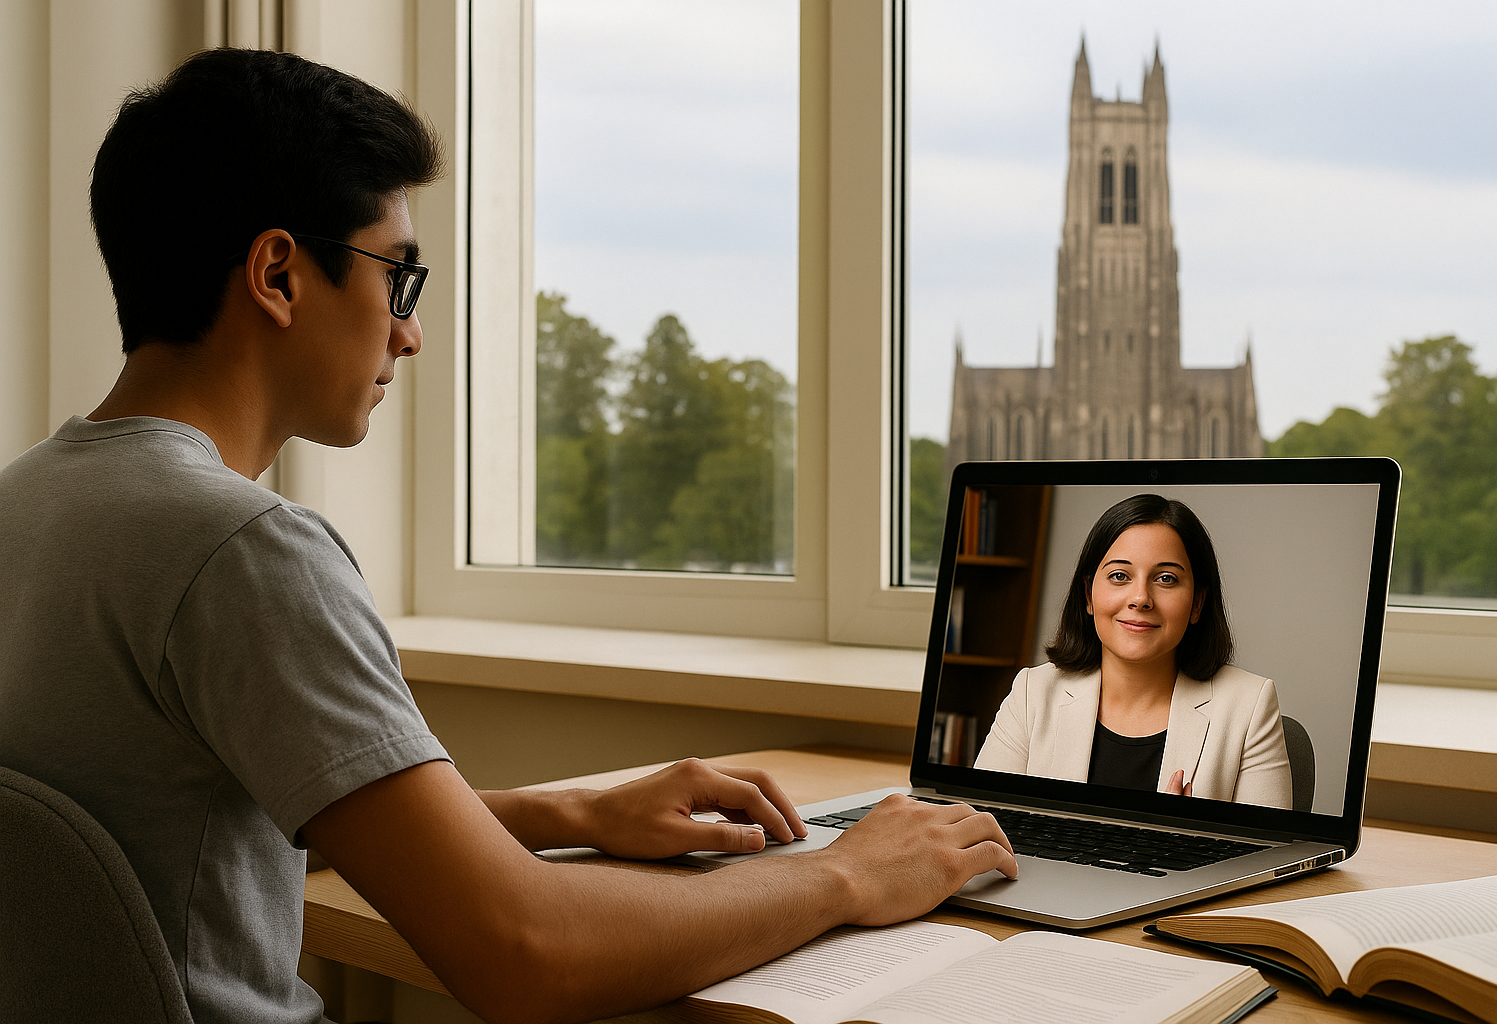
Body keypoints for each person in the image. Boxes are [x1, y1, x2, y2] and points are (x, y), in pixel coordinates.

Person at [0, 48, 1016, 1024]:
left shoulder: (29, 504)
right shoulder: (242, 552)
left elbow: (216, 825)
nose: (410, 330)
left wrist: (575, 812)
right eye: (396, 276)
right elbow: (528, 954)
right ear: (278, 273)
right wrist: (848, 872)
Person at [973, 494, 1291, 810]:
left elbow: (1269, 856)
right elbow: (981, 828)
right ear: (1088, 593)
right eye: (1119, 576)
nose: (1140, 598)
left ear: (1197, 603)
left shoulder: (1249, 705)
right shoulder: (1033, 692)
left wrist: (1175, 842)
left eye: (1166, 579)